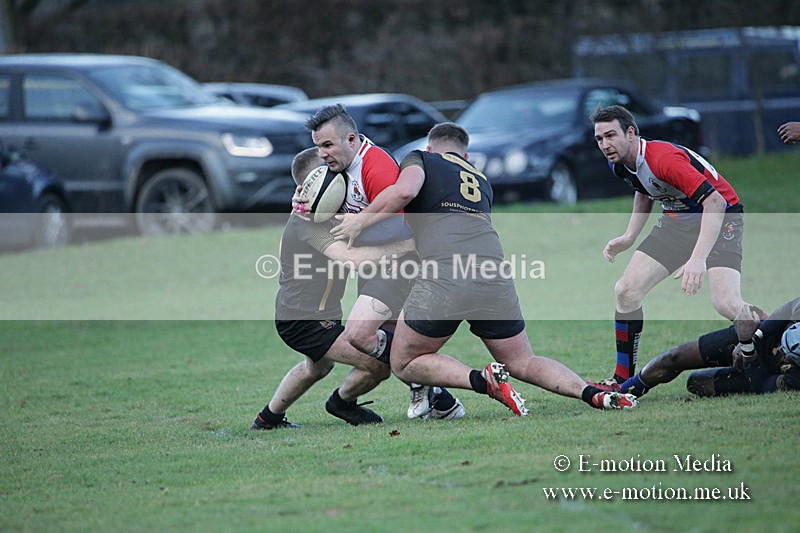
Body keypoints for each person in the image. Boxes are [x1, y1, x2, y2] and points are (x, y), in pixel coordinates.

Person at [331, 122, 639, 414]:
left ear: (430, 147)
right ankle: (593, 393)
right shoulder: (481, 180)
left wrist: (358, 222)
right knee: (523, 361)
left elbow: (404, 192)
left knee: (405, 361)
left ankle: (482, 381)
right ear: (465, 156)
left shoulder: (421, 158)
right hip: (493, 273)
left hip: (447, 273)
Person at [301, 104, 465, 420]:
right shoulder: (335, 170)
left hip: (401, 263)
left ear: (351, 139)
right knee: (394, 342)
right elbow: (316, 204)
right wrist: (306, 206)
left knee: (359, 334)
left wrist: (352, 228)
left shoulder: (374, 165)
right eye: (317, 146)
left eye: (327, 145)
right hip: (377, 266)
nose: (322, 154)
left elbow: (397, 224)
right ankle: (438, 398)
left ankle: (440, 390)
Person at [251, 148, 415, 429]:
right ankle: (342, 403)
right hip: (306, 322)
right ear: (317, 183)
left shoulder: (322, 215)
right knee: (378, 362)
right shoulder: (308, 223)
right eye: (334, 174)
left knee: (315, 368)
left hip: (305, 315)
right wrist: (410, 245)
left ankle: (268, 419)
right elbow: (352, 261)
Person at [590, 105, 753, 389]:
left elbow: (715, 202)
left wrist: (697, 258)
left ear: (630, 133)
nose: (605, 144)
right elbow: (644, 189)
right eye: (600, 139)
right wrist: (629, 237)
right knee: (626, 291)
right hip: (678, 221)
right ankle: (621, 380)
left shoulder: (664, 159)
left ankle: (779, 333)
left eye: (611, 135)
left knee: (725, 302)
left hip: (721, 216)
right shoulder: (619, 162)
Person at [609, 298, 800, 398]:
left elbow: (760, 386)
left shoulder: (795, 379)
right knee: (674, 357)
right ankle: (624, 392)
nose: (781, 352)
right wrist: (754, 337)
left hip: (760, 372)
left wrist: (748, 349)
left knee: (697, 383)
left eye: (785, 355)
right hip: (757, 337)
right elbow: (789, 307)